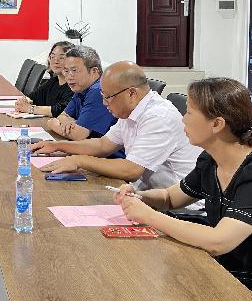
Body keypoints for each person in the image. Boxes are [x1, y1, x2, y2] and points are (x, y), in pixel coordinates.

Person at [114, 77, 252, 301]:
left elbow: (219, 241)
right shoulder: (211, 161)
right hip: (226, 277)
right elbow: (170, 197)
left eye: (189, 113)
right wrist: (139, 197)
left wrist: (149, 216)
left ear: (217, 124)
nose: (183, 120)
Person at [34, 62, 201, 195]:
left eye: (108, 97)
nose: (104, 102)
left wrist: (78, 160)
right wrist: (57, 146)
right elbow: (103, 145)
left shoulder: (158, 117)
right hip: (146, 195)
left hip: (177, 210)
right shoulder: (132, 110)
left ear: (131, 93)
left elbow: (131, 170)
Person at [45, 46, 123, 156]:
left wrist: (53, 124)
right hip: (88, 152)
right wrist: (67, 121)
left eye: (74, 71)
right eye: (66, 71)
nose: (69, 77)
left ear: (94, 71)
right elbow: (62, 116)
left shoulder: (98, 91)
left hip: (109, 160)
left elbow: (78, 135)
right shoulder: (81, 88)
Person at [14, 41, 73, 117]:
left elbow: (60, 111)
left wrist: (30, 109)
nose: (56, 61)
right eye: (52, 57)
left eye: (61, 58)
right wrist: (24, 101)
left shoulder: (74, 86)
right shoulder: (54, 81)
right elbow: (34, 97)